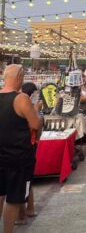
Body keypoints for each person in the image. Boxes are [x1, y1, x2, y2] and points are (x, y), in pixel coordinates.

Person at [0, 65, 43, 233]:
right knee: (14, 198)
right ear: (19, 77)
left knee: (1, 193)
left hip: (1, 155)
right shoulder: (21, 98)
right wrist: (36, 111)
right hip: (19, 157)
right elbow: (35, 123)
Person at [14, 83, 40, 225]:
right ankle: (22, 213)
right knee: (24, 182)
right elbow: (36, 127)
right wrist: (36, 111)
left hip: (26, 147)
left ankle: (28, 209)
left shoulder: (18, 103)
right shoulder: (26, 105)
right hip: (25, 147)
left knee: (27, 180)